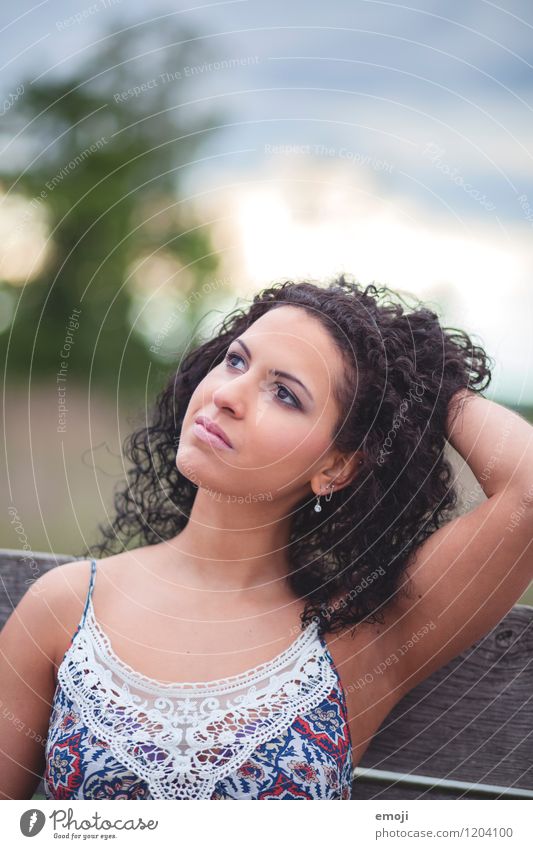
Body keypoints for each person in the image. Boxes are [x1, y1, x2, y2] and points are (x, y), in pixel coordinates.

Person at [1, 275, 533, 800]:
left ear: (338, 466)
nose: (228, 395)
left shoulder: (357, 640)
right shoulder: (68, 607)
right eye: (235, 360)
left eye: (284, 393)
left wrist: (422, 375)